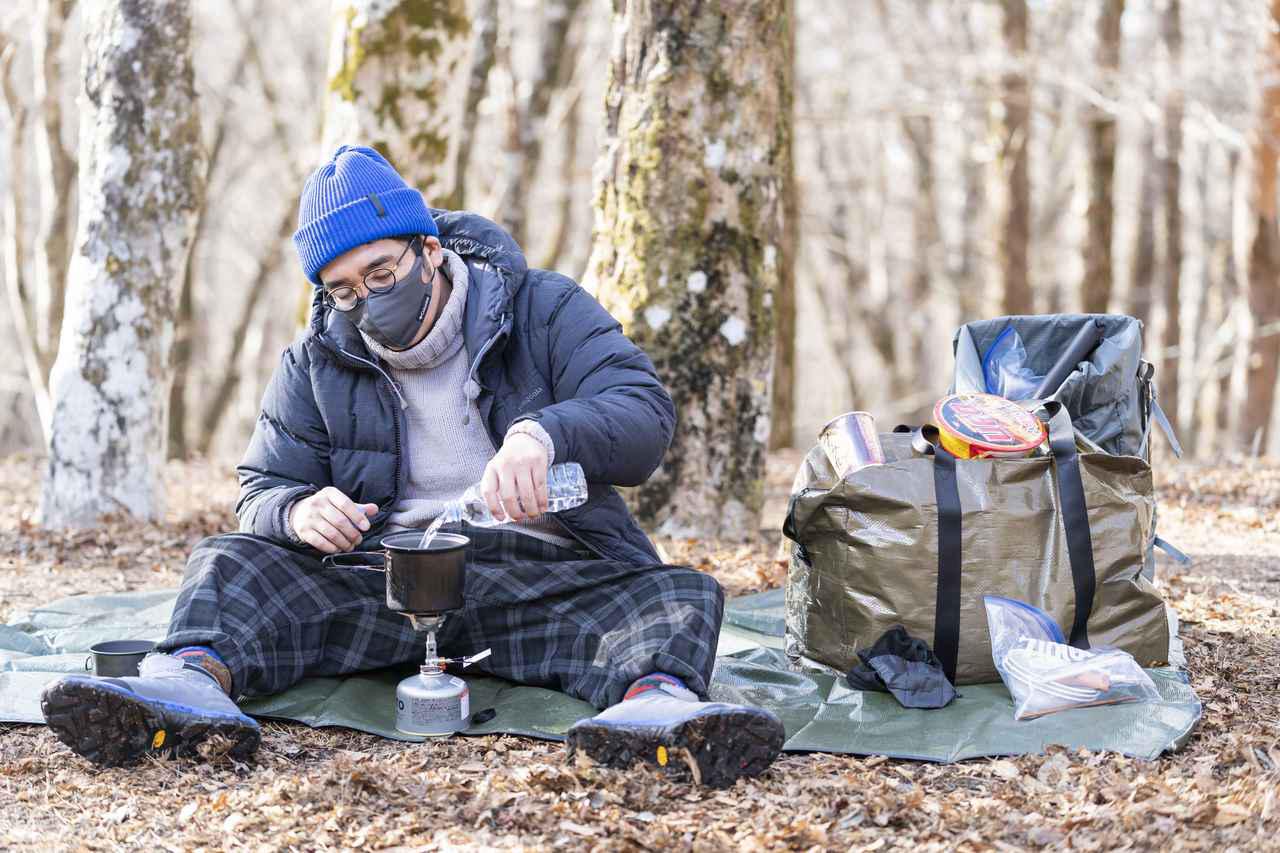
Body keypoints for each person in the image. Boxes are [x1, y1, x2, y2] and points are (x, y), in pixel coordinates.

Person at [41, 145, 784, 787]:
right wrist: (297, 512)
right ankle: (187, 690)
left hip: (538, 577)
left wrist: (545, 435)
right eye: (343, 290)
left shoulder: (542, 309)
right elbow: (259, 491)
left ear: (430, 249)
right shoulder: (314, 361)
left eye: (382, 273)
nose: (367, 300)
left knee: (678, 593)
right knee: (226, 564)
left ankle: (654, 712)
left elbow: (644, 415)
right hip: (382, 583)